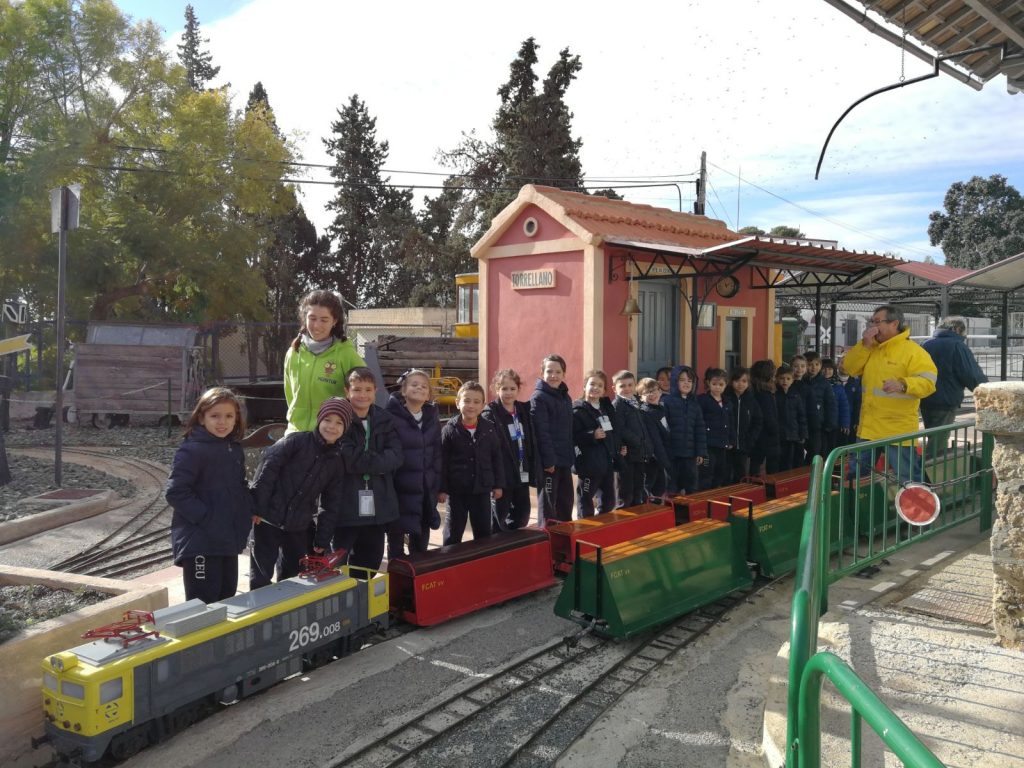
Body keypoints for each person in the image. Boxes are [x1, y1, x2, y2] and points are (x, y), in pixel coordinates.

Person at [249, 397, 352, 589]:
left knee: (292, 576)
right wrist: (257, 508)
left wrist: (322, 538)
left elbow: (331, 503)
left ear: (345, 428)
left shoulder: (336, 462)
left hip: (298, 526)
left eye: (339, 423)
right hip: (267, 520)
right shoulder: (296, 441)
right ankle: (259, 616)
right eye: (328, 420)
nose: (332, 427)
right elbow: (266, 471)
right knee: (261, 577)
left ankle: (284, 615)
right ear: (319, 420)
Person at [166, 387, 253, 603]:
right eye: (215, 416)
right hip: (201, 543)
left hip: (227, 540)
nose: (222, 422)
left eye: (229, 416)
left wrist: (248, 510)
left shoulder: (233, 448)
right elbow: (176, 491)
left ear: (236, 419)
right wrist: (207, 518)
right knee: (202, 603)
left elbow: (239, 486)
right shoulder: (192, 450)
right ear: (202, 418)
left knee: (227, 596)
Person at [318, 367, 402, 572]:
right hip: (345, 504)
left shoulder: (385, 418)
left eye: (367, 389)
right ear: (347, 391)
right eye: (357, 389)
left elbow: (397, 456)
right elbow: (348, 457)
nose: (362, 395)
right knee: (337, 561)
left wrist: (371, 462)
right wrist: (379, 463)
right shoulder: (338, 419)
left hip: (378, 505)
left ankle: (361, 599)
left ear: (376, 391)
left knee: (370, 562)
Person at [841, 305, 937, 483]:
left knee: (908, 478)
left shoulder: (913, 352)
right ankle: (857, 511)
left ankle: (915, 510)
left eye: (878, 322)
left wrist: (903, 384)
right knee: (856, 478)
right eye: (872, 322)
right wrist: (864, 346)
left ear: (894, 324)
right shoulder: (870, 348)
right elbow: (849, 368)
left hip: (897, 430)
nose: (872, 327)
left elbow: (928, 383)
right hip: (868, 428)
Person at [283, 289, 365, 435]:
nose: (317, 325)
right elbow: (290, 395)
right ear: (304, 318)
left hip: (331, 437)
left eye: (324, 320)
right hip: (296, 434)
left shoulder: (346, 354)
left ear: (334, 321)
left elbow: (363, 394)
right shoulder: (293, 353)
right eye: (312, 318)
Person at [385, 369, 442, 558]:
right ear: (404, 390)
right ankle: (395, 578)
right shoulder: (390, 417)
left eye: (424, 386)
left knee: (421, 541)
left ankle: (418, 579)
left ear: (428, 394)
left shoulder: (432, 417)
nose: (419, 388)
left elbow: (436, 452)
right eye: (414, 384)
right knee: (395, 541)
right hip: (398, 489)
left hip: (425, 488)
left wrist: (437, 484)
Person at [440, 381, 505, 543]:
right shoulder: (449, 430)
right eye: (466, 400)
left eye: (476, 402)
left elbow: (496, 457)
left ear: (483, 405)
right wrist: (441, 489)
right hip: (457, 492)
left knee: (483, 531)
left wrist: (498, 484)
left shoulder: (489, 428)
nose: (471, 405)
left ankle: (481, 563)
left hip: (482, 490)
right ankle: (450, 562)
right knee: (453, 532)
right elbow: (442, 461)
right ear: (457, 402)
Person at [920, 316, 988, 455]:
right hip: (946, 399)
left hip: (924, 397)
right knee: (937, 443)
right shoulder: (957, 345)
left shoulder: (925, 344)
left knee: (932, 436)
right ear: (957, 329)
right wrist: (987, 392)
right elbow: (970, 374)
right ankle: (929, 474)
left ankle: (928, 469)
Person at [482, 369, 535, 530]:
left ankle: (512, 544)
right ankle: (496, 547)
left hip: (521, 473)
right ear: (497, 389)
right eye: (504, 388)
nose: (508, 393)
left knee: (522, 515)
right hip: (502, 475)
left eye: (512, 388)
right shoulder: (490, 413)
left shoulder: (523, 410)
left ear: (518, 389)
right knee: (498, 518)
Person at [530, 354, 575, 523]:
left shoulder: (566, 397)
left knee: (566, 502)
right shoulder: (539, 398)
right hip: (550, 463)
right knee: (548, 505)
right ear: (542, 373)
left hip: (564, 459)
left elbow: (569, 430)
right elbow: (541, 432)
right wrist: (549, 461)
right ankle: (546, 536)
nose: (553, 375)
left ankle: (563, 535)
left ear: (564, 374)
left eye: (558, 371)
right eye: (549, 371)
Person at [572, 370, 620, 517]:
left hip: (606, 464)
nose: (596, 388)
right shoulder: (577, 410)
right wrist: (591, 435)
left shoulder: (605, 409)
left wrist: (617, 450)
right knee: (585, 500)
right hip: (588, 465)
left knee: (609, 501)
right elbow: (573, 436)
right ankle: (584, 529)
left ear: (604, 390)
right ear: (584, 386)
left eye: (600, 385)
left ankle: (602, 529)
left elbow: (612, 432)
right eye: (592, 384)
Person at [662, 365, 707, 495]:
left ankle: (691, 513)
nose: (686, 383)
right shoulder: (667, 402)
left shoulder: (695, 404)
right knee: (672, 486)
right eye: (682, 380)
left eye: (689, 380)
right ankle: (673, 512)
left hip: (690, 454)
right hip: (673, 454)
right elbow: (664, 428)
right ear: (675, 381)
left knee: (691, 485)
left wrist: (700, 452)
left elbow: (700, 429)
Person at [612, 369, 650, 506]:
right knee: (625, 490)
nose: (627, 389)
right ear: (614, 389)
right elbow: (620, 429)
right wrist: (637, 441)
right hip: (627, 455)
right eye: (622, 386)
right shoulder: (617, 405)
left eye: (630, 385)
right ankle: (623, 517)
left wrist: (646, 445)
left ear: (635, 386)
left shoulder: (637, 403)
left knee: (638, 487)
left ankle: (636, 516)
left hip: (639, 454)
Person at [698, 367, 734, 490]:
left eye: (720, 384)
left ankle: (714, 493)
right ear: (708, 383)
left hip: (722, 444)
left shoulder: (727, 402)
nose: (717, 387)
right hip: (708, 444)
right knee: (707, 471)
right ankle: (704, 495)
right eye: (714, 384)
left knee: (720, 470)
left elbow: (731, 423)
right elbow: (699, 422)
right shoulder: (703, 400)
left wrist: (731, 440)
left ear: (725, 385)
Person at [725, 366, 763, 483]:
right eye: (737, 381)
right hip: (727, 446)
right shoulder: (726, 398)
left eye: (744, 381)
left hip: (743, 445)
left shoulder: (751, 400)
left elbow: (758, 421)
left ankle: (739, 498)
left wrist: (750, 439)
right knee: (725, 473)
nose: (740, 384)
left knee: (740, 473)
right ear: (731, 382)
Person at [637, 377, 672, 501]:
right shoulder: (646, 413)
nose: (652, 394)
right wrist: (665, 462)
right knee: (649, 488)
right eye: (647, 392)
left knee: (660, 487)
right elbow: (655, 440)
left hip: (662, 457)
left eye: (655, 390)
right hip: (652, 459)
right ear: (640, 396)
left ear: (660, 391)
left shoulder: (662, 409)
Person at [748, 360, 780, 477]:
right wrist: (776, 430)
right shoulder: (765, 394)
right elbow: (769, 417)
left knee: (755, 463)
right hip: (767, 436)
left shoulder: (754, 391)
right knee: (770, 466)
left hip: (758, 435)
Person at [803, 351, 837, 460]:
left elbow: (831, 404)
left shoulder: (824, 383)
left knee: (816, 453)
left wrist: (830, 424)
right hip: (803, 423)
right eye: (810, 364)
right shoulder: (800, 381)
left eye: (817, 364)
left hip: (818, 425)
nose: (813, 368)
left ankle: (816, 476)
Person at [774, 364, 807, 471]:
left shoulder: (796, 396)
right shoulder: (774, 395)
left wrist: (803, 434)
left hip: (794, 434)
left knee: (792, 460)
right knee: (780, 461)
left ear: (792, 380)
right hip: (780, 435)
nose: (785, 381)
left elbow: (801, 416)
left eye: (788, 378)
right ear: (777, 379)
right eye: (782, 378)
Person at [820, 358, 850, 455]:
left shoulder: (838, 386)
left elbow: (844, 407)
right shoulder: (816, 384)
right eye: (824, 369)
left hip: (834, 423)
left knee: (832, 448)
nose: (827, 372)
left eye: (830, 369)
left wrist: (845, 423)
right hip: (819, 423)